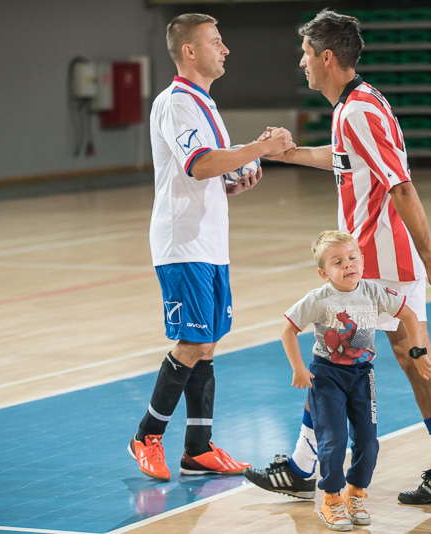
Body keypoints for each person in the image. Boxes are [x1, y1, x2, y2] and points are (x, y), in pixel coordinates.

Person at [243, 9, 431, 506]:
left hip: (380, 261)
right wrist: (288, 154)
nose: (301, 62)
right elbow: (343, 159)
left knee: (342, 355)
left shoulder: (357, 111)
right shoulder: (356, 104)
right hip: (379, 258)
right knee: (386, 356)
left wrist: (430, 255)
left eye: (306, 53)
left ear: (327, 57)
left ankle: (308, 468)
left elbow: (401, 185)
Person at [129, 13, 295, 481]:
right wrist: (260, 148)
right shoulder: (176, 102)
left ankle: (198, 449)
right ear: (189, 51)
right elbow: (199, 164)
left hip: (209, 242)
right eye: (216, 42)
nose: (225, 49)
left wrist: (233, 182)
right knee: (194, 340)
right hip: (182, 242)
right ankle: (146, 436)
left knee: (208, 343)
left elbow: (208, 174)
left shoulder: (205, 104)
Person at [281, 230, 431, 530]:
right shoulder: (318, 299)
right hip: (326, 376)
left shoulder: (374, 292)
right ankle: (331, 499)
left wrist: (417, 352)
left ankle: (355, 493)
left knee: (367, 440)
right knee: (334, 438)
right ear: (323, 273)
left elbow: (409, 315)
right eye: (338, 262)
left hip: (362, 375)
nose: (348, 265)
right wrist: (298, 368)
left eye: (352, 258)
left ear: (362, 260)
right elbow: (288, 330)